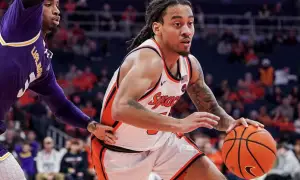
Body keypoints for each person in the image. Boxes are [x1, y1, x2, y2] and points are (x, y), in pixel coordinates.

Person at [91, 0, 264, 179]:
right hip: (120, 153)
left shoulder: (190, 64)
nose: (186, 31)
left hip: (162, 144)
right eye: (177, 24)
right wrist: (180, 124)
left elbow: (210, 108)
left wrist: (230, 124)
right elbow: (121, 108)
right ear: (157, 28)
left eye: (190, 23)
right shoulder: (148, 59)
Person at [0, 0, 116, 179]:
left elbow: (60, 106)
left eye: (57, 5)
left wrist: (91, 125)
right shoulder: (19, 24)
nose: (56, 11)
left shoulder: (43, 62)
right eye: (48, 4)